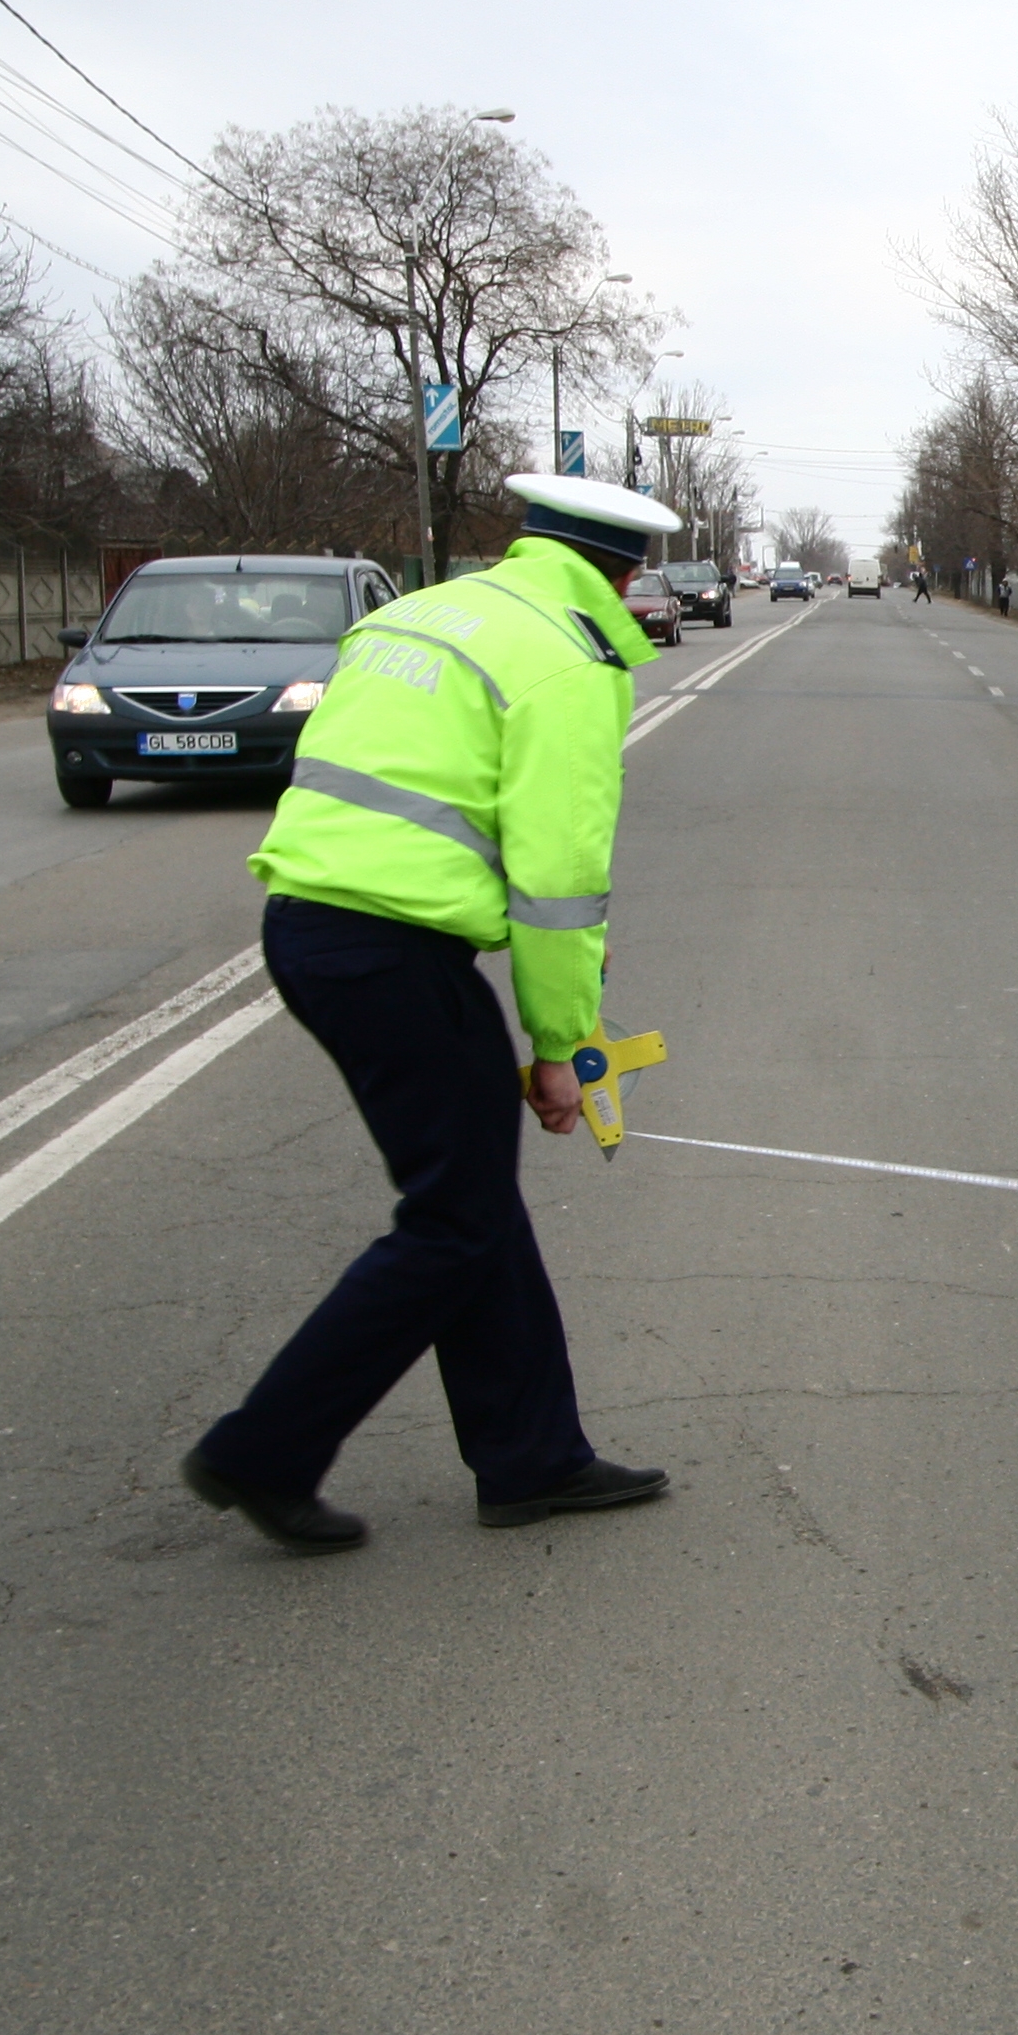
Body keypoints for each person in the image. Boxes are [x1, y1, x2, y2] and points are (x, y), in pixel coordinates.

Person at [180, 476, 683, 1555]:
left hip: (310, 927)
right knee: (453, 1220)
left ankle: (531, 1456)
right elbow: (557, 886)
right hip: (391, 953)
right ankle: (262, 1449)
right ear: (625, 575)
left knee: (471, 1202)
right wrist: (563, 1050)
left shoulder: (410, 616)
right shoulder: (564, 664)